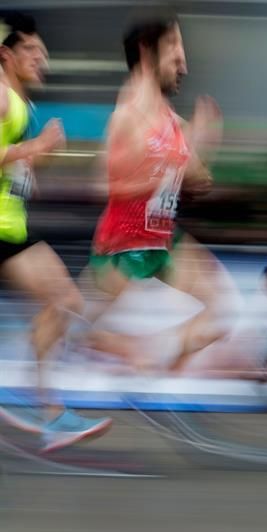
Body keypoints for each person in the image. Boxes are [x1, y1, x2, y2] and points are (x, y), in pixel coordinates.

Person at [87, 11, 229, 372]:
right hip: (123, 249)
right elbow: (103, 185)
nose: (183, 63)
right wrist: (166, 172)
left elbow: (197, 177)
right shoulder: (128, 115)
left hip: (163, 241)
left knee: (219, 314)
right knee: (89, 331)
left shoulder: (169, 119)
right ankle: (137, 357)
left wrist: (203, 142)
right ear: (146, 52)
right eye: (174, 50)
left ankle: (162, 370)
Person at [0, 12, 112, 452]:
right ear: (6, 55)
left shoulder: (22, 105)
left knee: (65, 299)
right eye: (33, 51)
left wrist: (35, 160)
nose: (42, 60)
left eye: (45, 53)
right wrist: (35, 147)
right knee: (64, 300)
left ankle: (47, 412)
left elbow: (16, 170)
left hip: (9, 232)